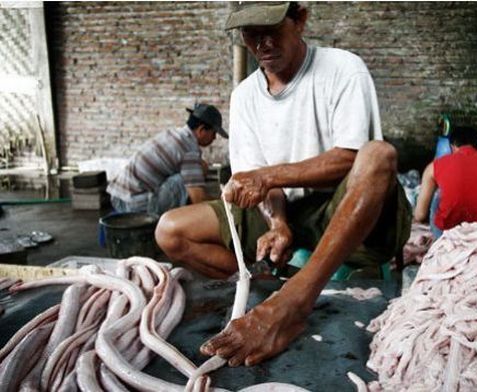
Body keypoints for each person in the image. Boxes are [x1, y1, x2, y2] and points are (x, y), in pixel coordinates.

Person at [154, 1, 411, 367]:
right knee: (171, 230)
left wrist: (268, 176)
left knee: (379, 155)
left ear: (300, 20)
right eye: (250, 34)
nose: (262, 44)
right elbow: (258, 182)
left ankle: (293, 301)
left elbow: (349, 159)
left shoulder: (343, 69)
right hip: (286, 207)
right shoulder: (244, 96)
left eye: (271, 29)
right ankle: (263, 287)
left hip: (341, 207)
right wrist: (278, 224)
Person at [107, 103, 227, 216]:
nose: (214, 138)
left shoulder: (175, 134)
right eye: (214, 133)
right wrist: (224, 203)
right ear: (201, 130)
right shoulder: (190, 149)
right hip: (134, 206)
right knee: (182, 182)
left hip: (118, 197)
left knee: (199, 168)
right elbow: (198, 199)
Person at [413, 126, 477, 231]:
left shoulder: (434, 167)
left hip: (447, 233)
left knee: (438, 194)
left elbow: (420, 215)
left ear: (452, 147)